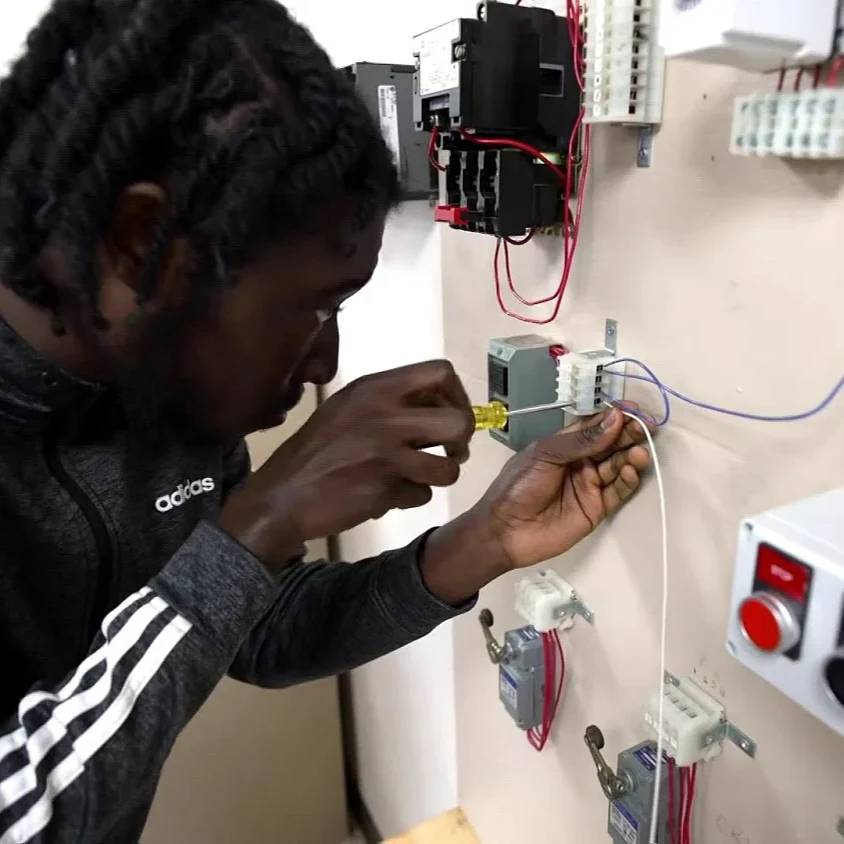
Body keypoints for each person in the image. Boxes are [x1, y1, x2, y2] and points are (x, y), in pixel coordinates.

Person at [0, 1, 652, 842]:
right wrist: (259, 523)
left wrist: (480, 542)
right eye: (313, 309)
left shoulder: (158, 378)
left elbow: (251, 627)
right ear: (139, 241)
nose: (324, 365)